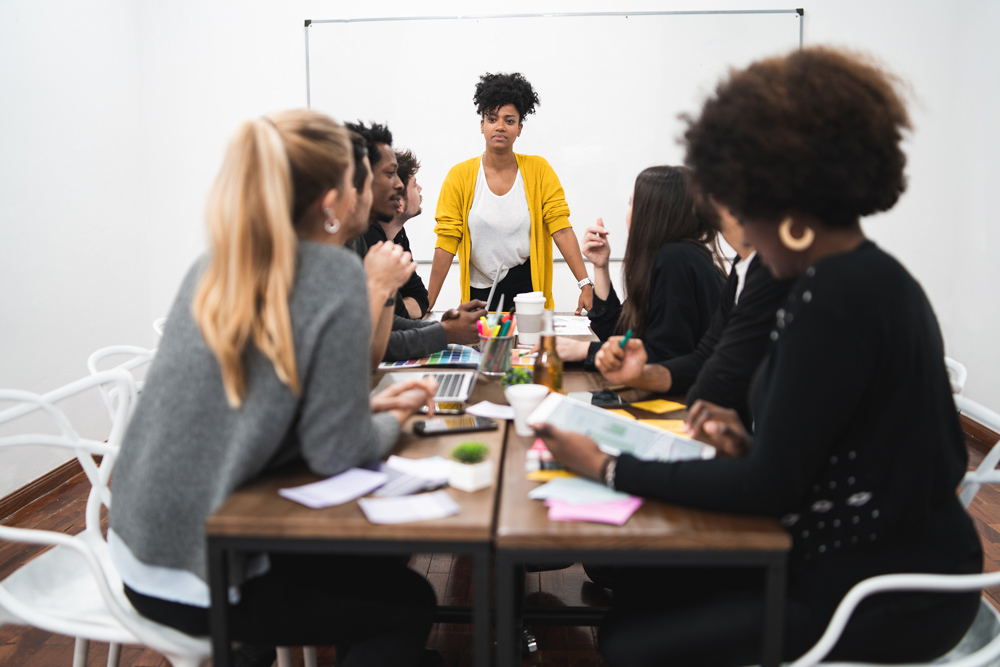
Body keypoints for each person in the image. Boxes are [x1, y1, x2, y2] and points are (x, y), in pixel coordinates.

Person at [534, 48, 982, 666]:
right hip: (870, 561)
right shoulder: (859, 278)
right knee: (641, 600)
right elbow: (827, 451)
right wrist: (749, 445)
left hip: (878, 594)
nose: (734, 220)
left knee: (630, 638)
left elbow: (774, 485)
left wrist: (607, 467)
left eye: (741, 201)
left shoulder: (834, 299)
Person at [108, 110, 441, 667]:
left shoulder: (216, 262)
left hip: (137, 552)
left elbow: (257, 402)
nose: (378, 189)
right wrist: (393, 422)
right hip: (203, 576)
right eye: (364, 177)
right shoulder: (330, 274)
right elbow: (337, 452)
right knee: (407, 600)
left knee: (375, 567)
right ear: (333, 202)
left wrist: (363, 406)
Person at [594, 200, 793, 428]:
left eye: (633, 203)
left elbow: (715, 375)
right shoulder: (744, 264)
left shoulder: (676, 257)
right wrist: (640, 375)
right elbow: (704, 358)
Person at [429, 71, 593, 314]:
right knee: (483, 351)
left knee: (527, 350)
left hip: (528, 290)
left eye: (509, 120)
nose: (500, 127)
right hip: (479, 293)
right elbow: (446, 241)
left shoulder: (539, 170)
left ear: (519, 128)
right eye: (492, 118)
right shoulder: (459, 177)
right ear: (482, 125)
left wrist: (585, 284)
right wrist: (427, 301)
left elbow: (561, 227)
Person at [554, 166, 726, 369]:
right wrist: (601, 267)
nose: (628, 215)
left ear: (652, 212)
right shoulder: (677, 256)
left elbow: (665, 357)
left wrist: (582, 351)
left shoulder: (676, 259)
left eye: (632, 204)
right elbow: (617, 333)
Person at [347, 121, 485, 361]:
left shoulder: (362, 240)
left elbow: (399, 314)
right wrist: (445, 332)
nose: (399, 185)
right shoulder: (348, 249)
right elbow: (372, 342)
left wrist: (444, 328)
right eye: (390, 174)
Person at [362, 148, 429, 320]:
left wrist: (398, 311)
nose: (420, 189)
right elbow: (387, 312)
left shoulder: (398, 235)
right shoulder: (368, 237)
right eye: (414, 185)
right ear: (399, 203)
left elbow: (420, 297)